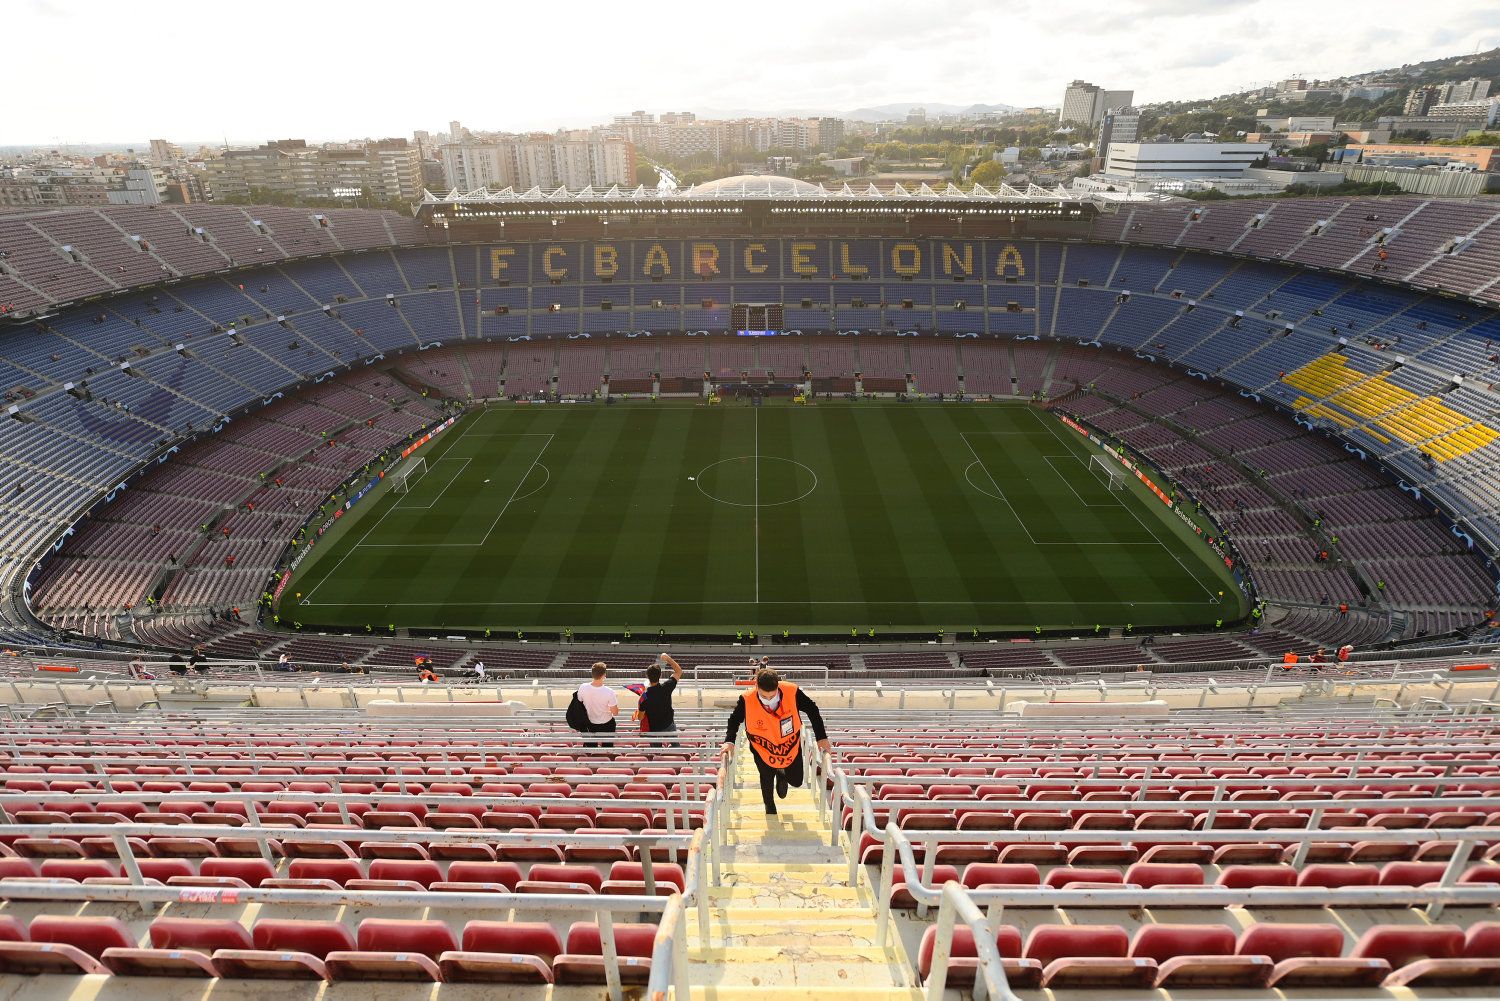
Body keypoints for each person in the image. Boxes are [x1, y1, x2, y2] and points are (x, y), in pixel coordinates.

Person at [722, 668, 830, 816]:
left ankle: (782, 773)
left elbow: (812, 709)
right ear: (756, 687)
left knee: (797, 781)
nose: (768, 699)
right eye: (763, 696)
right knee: (766, 778)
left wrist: (821, 737)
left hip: (789, 746)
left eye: (772, 696)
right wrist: (729, 741)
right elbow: (734, 720)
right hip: (762, 748)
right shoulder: (747, 699)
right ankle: (769, 806)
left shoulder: (792, 692)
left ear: (778, 686)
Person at [639, 653, 683, 748]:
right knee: (676, 747)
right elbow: (679, 671)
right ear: (660, 675)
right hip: (668, 724)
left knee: (656, 752)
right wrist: (668, 659)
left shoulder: (644, 696)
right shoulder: (666, 687)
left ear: (647, 676)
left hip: (654, 728)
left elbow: (640, 717)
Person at [577, 662, 619, 745]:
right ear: (604, 675)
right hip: (607, 724)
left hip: (590, 723)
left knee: (591, 748)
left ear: (592, 674)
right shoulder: (610, 692)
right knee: (607, 748)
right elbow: (615, 713)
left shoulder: (582, 687)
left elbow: (580, 701)